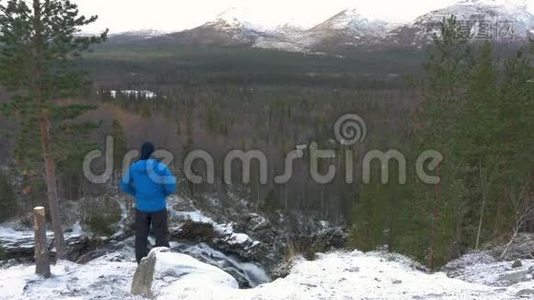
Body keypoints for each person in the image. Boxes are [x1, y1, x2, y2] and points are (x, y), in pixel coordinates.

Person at [120, 142, 177, 263]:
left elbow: (124, 185)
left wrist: (136, 193)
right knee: (161, 236)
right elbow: (171, 185)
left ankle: (141, 262)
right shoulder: (160, 167)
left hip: (141, 207)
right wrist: (162, 194)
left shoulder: (134, 167)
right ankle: (164, 262)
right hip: (158, 207)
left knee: (141, 237)